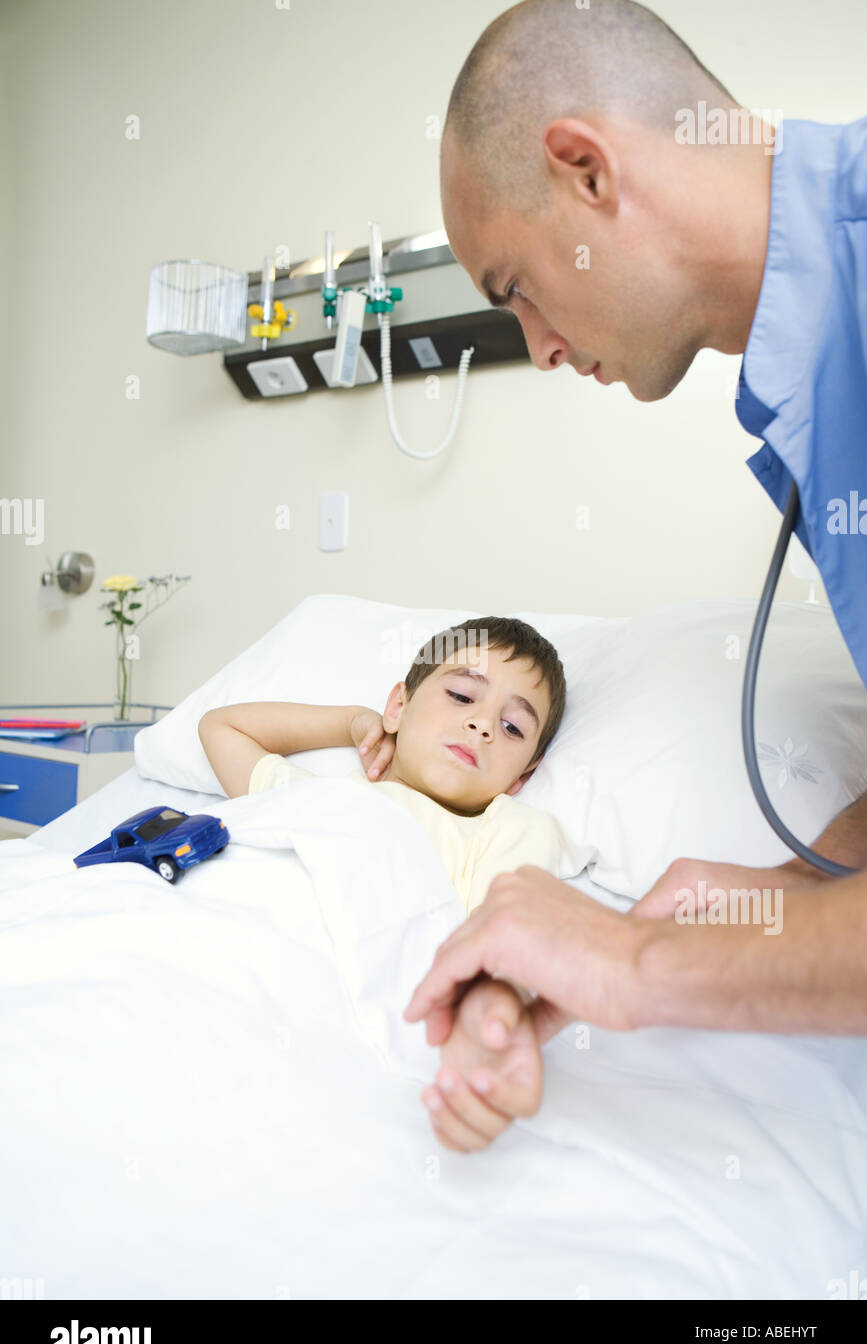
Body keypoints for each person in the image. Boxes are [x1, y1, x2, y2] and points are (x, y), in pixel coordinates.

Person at [389, 0, 867, 1151]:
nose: (541, 349)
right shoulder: (814, 381)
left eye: (514, 287)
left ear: (589, 172)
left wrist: (638, 961)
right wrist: (766, 903)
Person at [198, 616, 576, 1151]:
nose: (483, 725)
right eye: (462, 695)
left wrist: (490, 1024)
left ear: (523, 775)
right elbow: (220, 727)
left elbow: (501, 944)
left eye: (512, 727)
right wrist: (355, 722)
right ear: (398, 706)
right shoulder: (318, 797)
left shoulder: (505, 828)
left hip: (309, 1002)